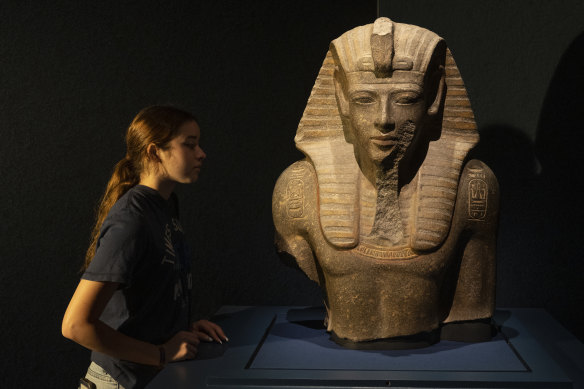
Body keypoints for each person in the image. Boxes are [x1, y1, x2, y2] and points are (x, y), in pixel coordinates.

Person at [272, 18, 499, 346]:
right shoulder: (298, 190)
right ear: (341, 97)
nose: (384, 120)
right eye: (365, 99)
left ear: (434, 96)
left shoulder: (473, 189)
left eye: (406, 98)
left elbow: (470, 316)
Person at [62, 105, 227, 389]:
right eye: (189, 145)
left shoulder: (164, 206)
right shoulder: (132, 219)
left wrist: (180, 329)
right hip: (119, 382)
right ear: (154, 152)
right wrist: (162, 353)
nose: (201, 153)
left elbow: (149, 290)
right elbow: (75, 325)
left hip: (152, 378)